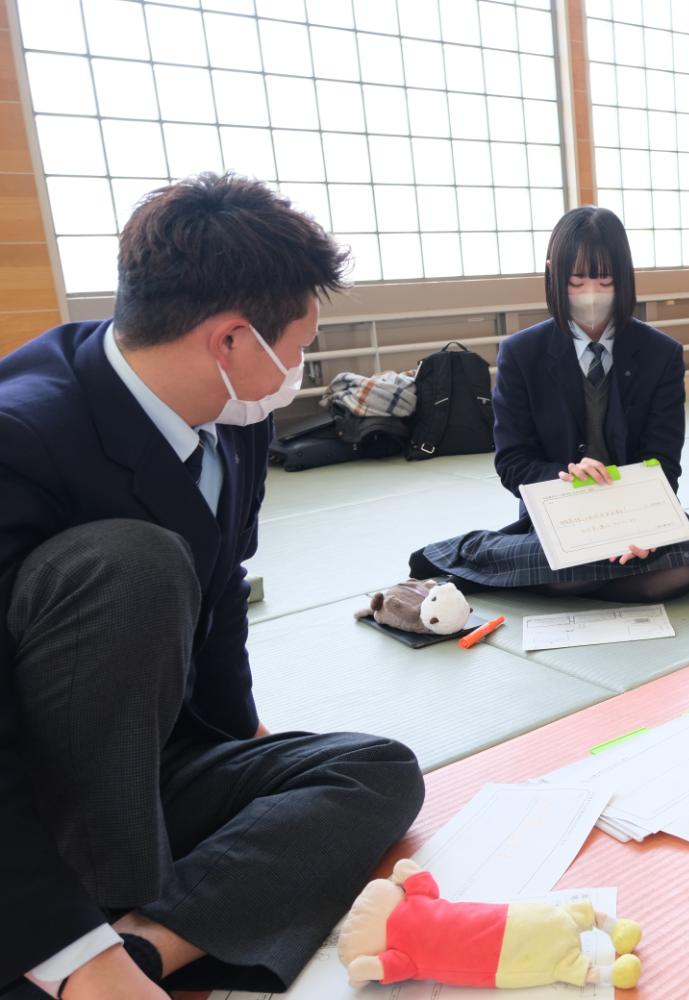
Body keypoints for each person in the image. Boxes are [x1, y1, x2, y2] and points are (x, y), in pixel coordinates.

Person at [0, 175, 425, 998]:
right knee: (136, 563)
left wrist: (244, 748)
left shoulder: (236, 419)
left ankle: (146, 945)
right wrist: (64, 947)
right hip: (33, 798)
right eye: (297, 347)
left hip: (152, 760)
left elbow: (221, 592)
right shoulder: (21, 436)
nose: (298, 368)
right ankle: (73, 949)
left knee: (378, 770)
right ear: (231, 339)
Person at [412, 206, 689, 600]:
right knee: (583, 567)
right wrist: (565, 476)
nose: (591, 294)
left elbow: (663, 461)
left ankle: (515, 565)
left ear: (625, 277)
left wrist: (642, 526)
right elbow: (512, 462)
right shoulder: (521, 353)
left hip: (635, 509)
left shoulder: (661, 353)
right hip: (559, 511)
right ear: (553, 273)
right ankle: (523, 558)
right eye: (576, 281)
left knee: (678, 567)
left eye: (605, 281)